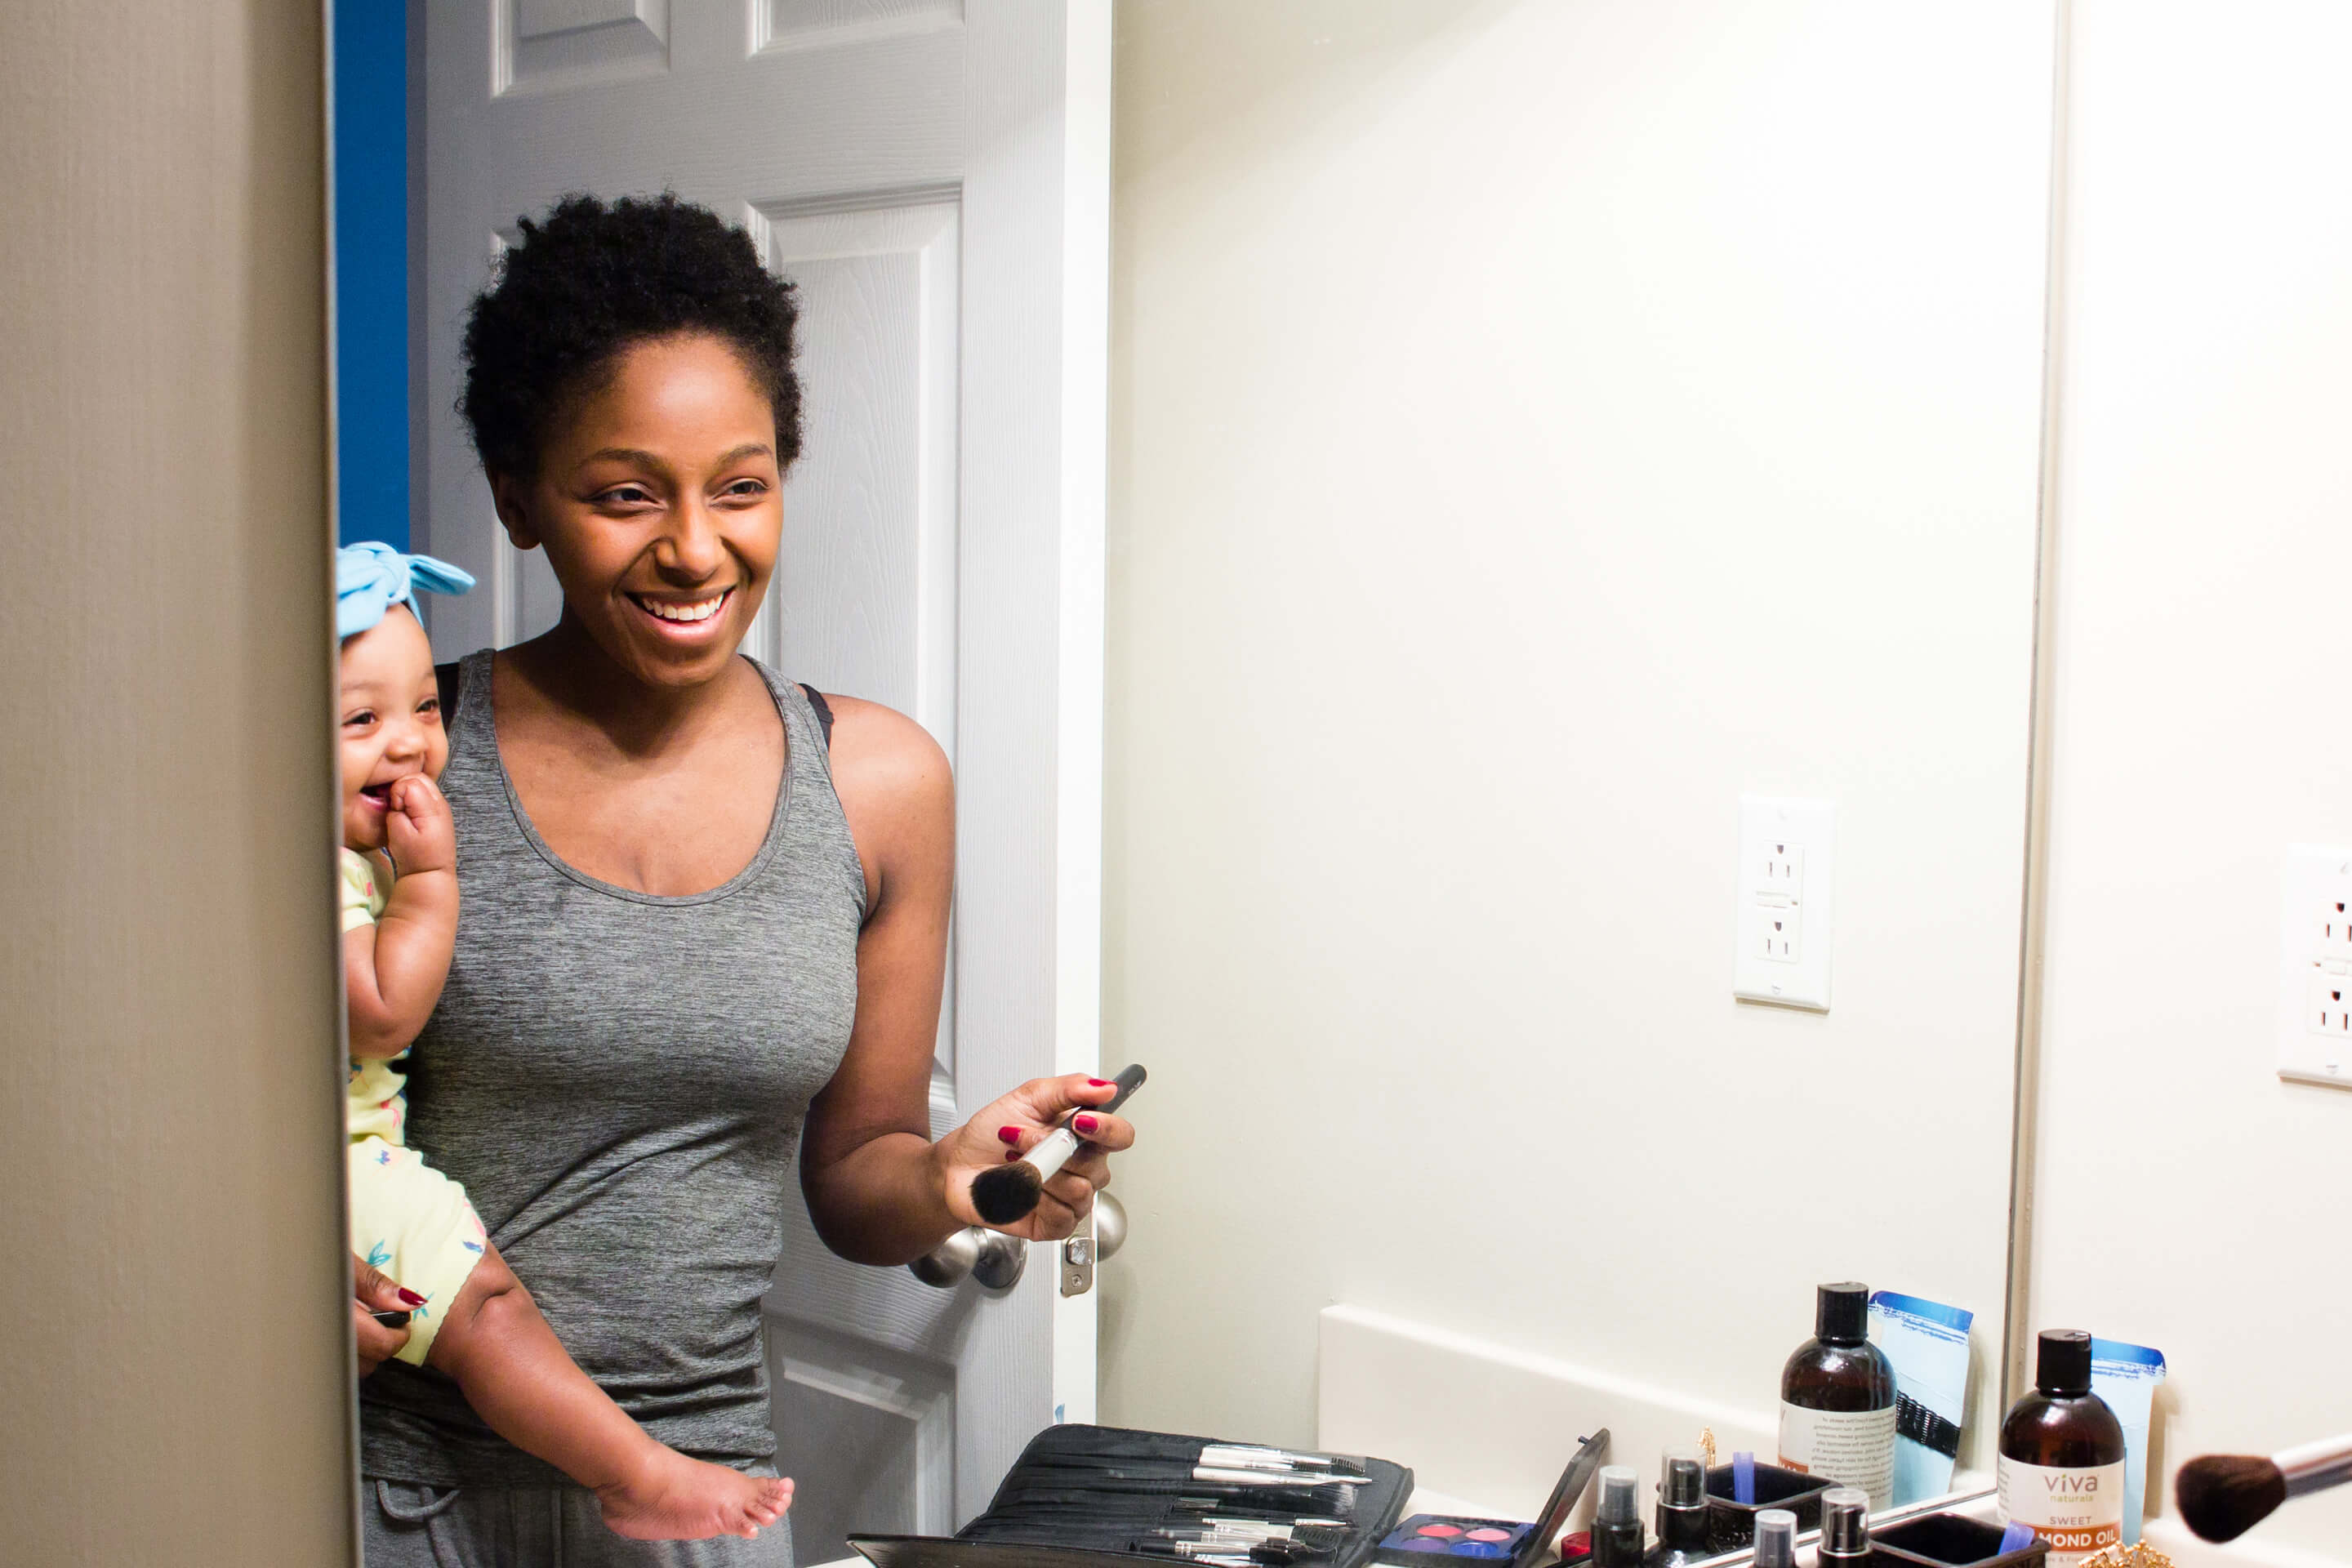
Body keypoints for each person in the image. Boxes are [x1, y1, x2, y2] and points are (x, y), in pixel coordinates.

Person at [355, 194, 1135, 1566]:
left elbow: (855, 1177)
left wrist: (953, 1174)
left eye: (742, 482)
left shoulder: (879, 782)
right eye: (623, 494)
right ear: (518, 500)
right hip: (403, 1497)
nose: (698, 549)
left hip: (704, 1503)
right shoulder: (402, 770)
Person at [337, 542, 795, 1544]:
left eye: (423, 708)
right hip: (341, 1177)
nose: (411, 745)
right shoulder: (326, 867)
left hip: (712, 1407)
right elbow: (381, 1012)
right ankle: (630, 1470)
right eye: (361, 721)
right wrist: (432, 884)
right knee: (487, 1310)